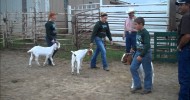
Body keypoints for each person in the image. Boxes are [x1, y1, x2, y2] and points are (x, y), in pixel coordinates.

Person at [130, 17, 152, 94]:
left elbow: (147, 45)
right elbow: (139, 43)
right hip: (138, 52)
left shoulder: (145, 33)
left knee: (147, 71)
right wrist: (134, 48)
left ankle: (147, 87)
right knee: (132, 68)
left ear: (141, 24)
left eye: (136, 24)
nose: (134, 26)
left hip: (145, 53)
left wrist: (141, 55)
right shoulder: (138, 32)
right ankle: (138, 85)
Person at [176, 0, 190, 100]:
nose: (179, 7)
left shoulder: (186, 17)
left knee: (184, 77)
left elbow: (187, 36)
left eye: (181, 4)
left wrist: (180, 46)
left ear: (188, 5)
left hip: (186, 49)